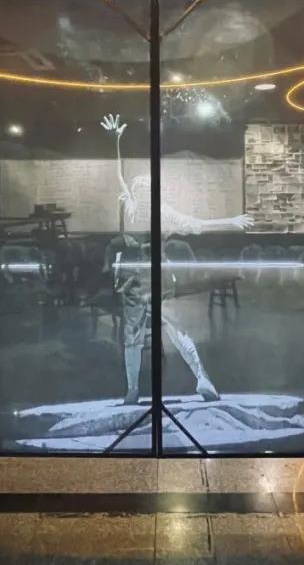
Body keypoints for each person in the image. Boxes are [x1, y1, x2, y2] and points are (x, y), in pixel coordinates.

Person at [100, 114, 253, 405]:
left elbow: (197, 224)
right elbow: (119, 177)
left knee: (171, 331)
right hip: (136, 282)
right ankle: (134, 388)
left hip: (153, 280)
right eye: (139, 190)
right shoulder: (134, 208)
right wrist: (116, 142)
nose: (140, 193)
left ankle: (198, 379)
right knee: (141, 335)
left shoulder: (160, 212)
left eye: (144, 190)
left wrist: (230, 221)